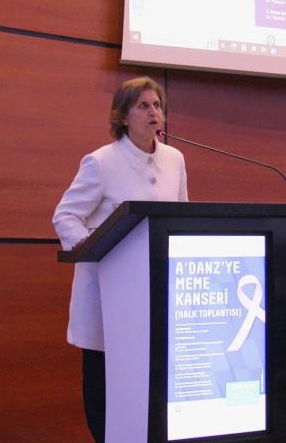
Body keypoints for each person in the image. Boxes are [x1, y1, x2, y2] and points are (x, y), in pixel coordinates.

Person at [53, 76, 188, 443]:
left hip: (155, 294)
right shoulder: (101, 162)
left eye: (157, 105)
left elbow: (181, 217)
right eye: (143, 105)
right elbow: (65, 216)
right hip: (108, 293)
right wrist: (95, 251)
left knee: (150, 384)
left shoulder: (175, 160)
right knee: (104, 388)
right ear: (123, 116)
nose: (153, 112)